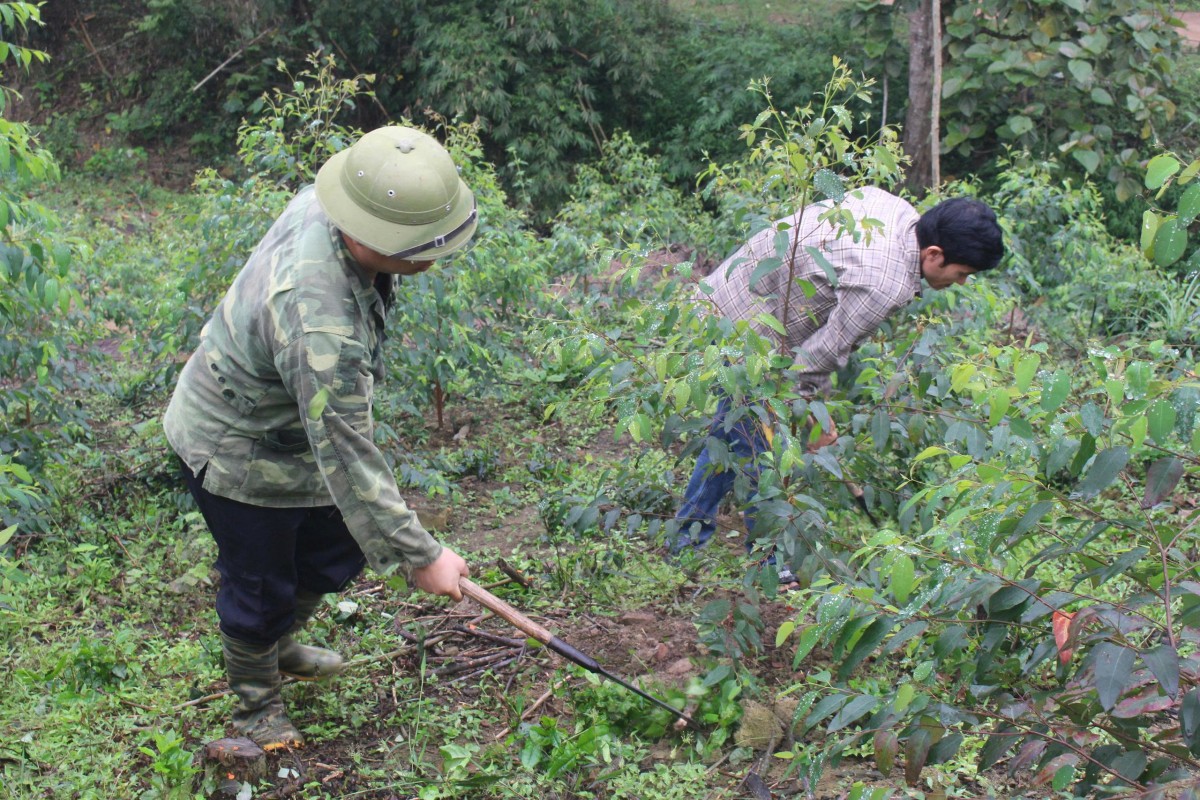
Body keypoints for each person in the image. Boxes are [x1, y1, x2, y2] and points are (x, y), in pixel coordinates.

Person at [164, 125, 479, 750]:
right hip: (236, 445)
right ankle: (256, 706)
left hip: (293, 431)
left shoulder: (338, 202)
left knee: (339, 542)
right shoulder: (318, 322)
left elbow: (336, 440)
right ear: (371, 236)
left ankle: (279, 644)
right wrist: (421, 555)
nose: (432, 257)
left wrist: (395, 541)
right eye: (422, 247)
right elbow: (347, 449)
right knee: (258, 580)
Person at [670, 187, 1004, 566]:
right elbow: (816, 357)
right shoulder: (884, 285)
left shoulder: (896, 210)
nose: (961, 282)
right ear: (933, 254)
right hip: (746, 331)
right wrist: (812, 416)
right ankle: (768, 562)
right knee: (762, 449)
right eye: (961, 274)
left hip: (725, 299)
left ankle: (687, 540)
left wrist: (814, 411)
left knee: (731, 433)